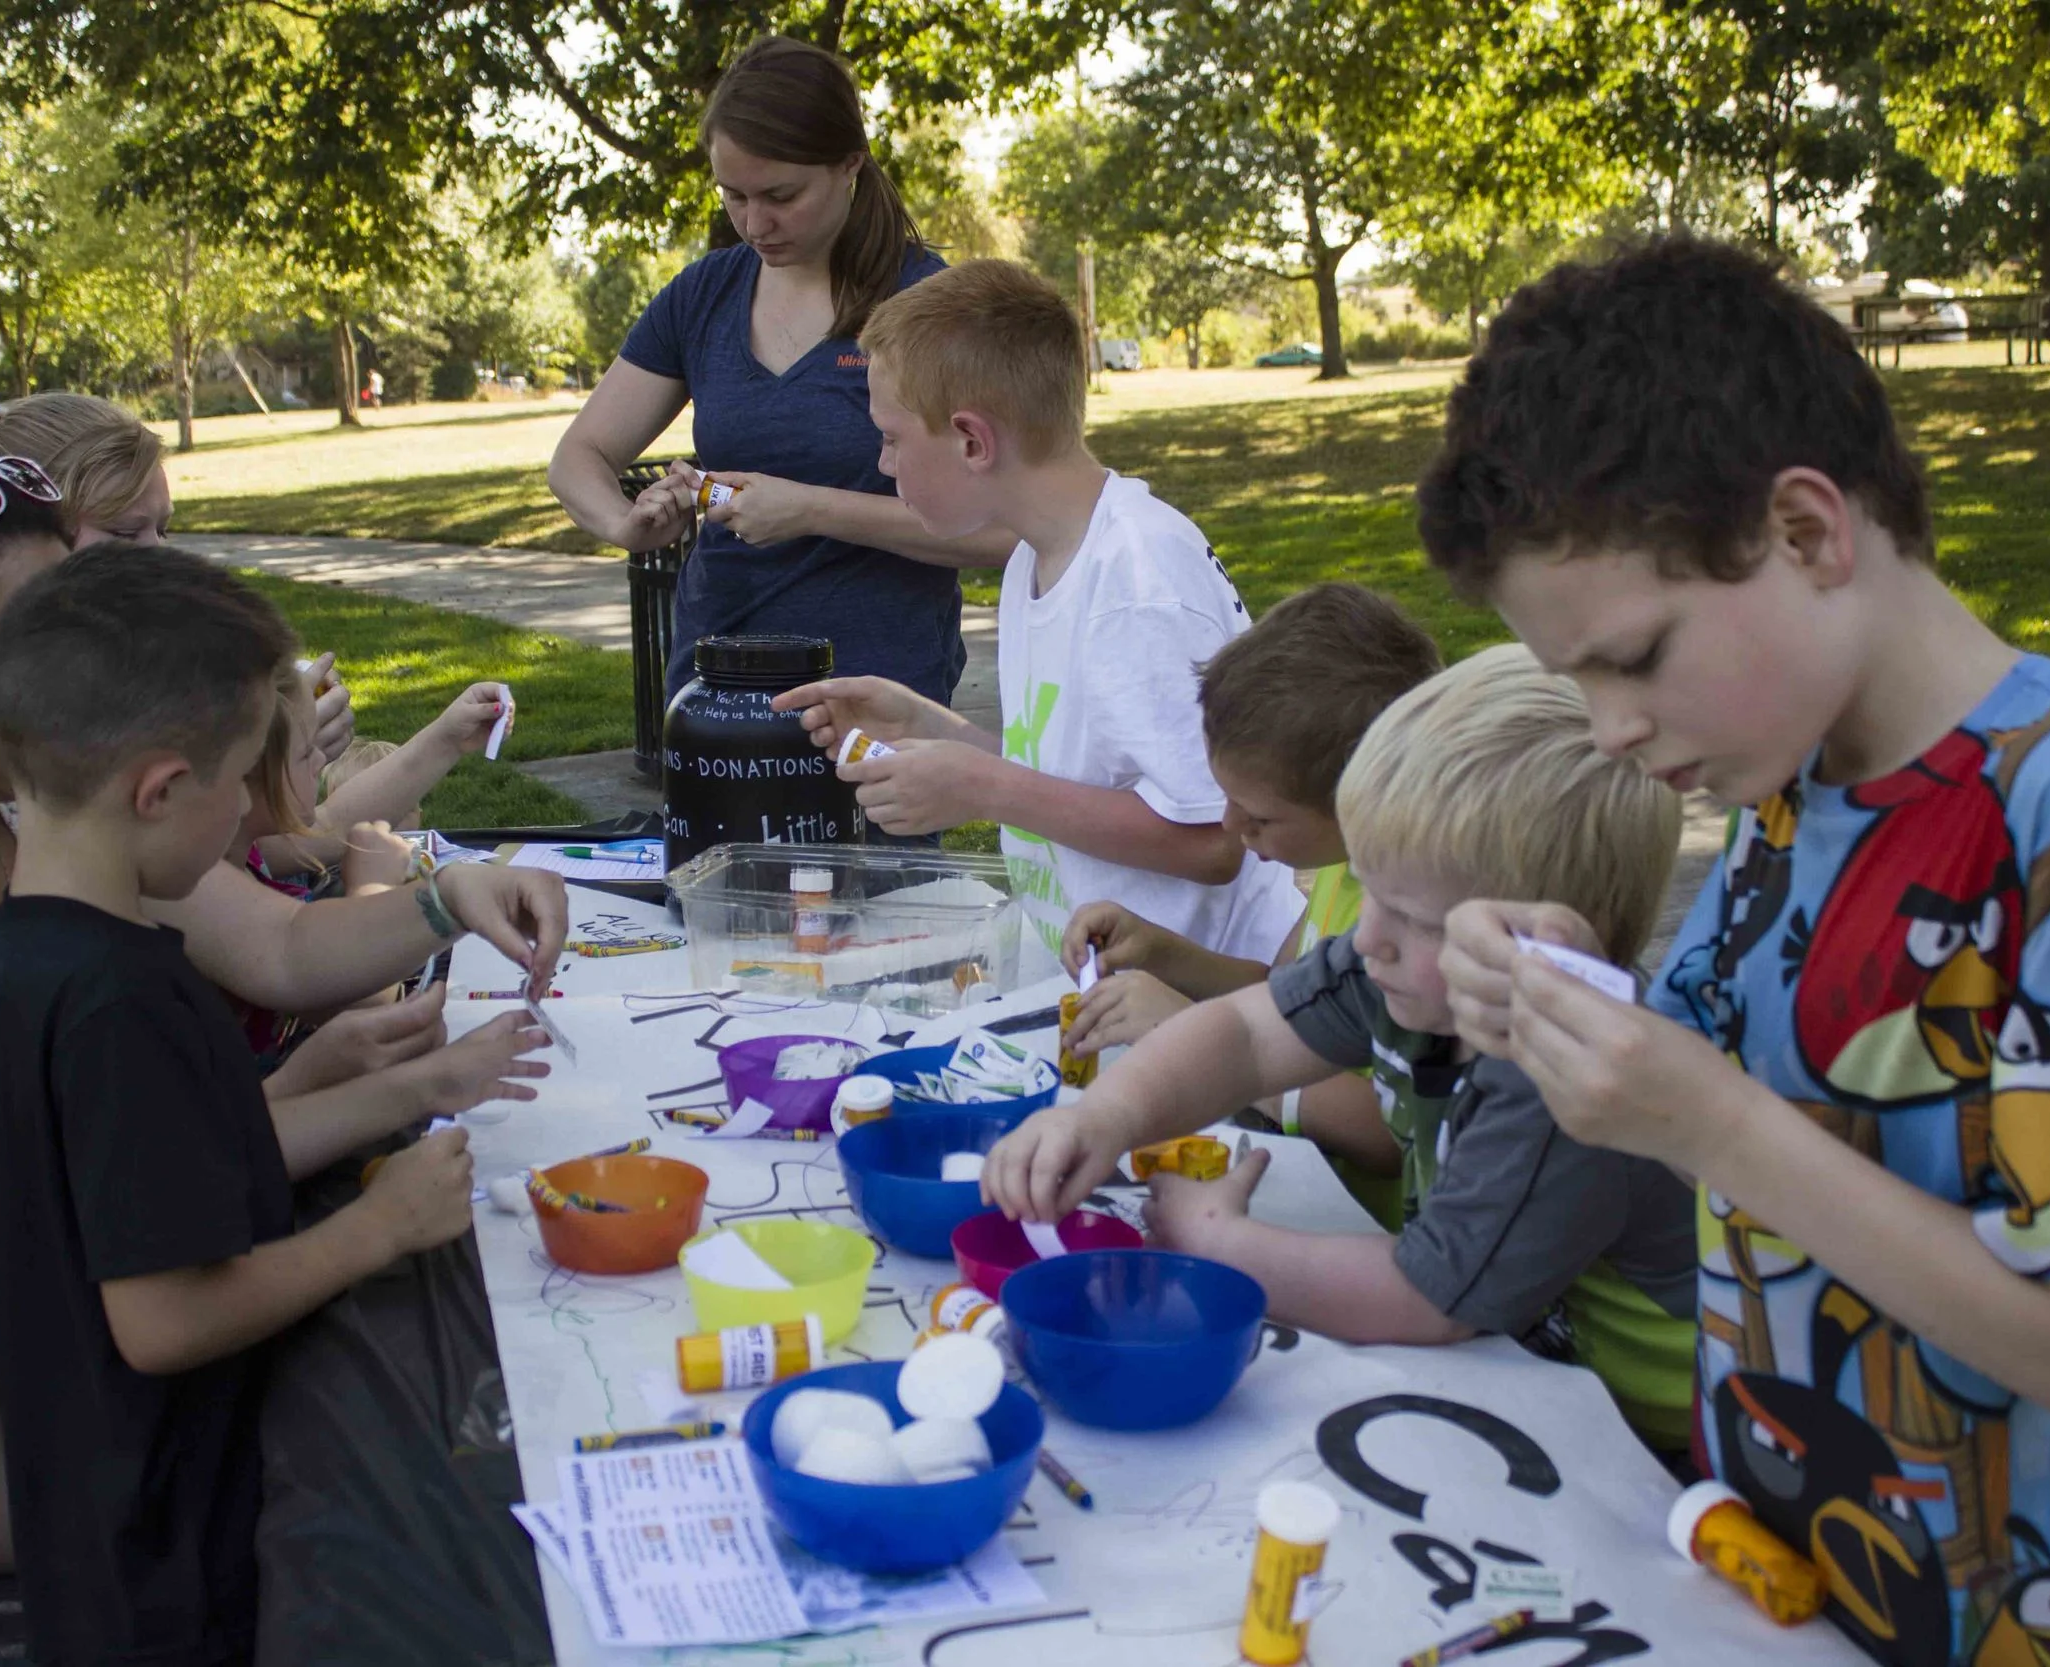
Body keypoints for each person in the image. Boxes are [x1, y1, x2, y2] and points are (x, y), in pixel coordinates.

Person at [1426, 239, 2050, 1666]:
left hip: (2022, 1617)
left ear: (1806, 532)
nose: (1608, 726)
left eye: (1634, 655)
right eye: (1575, 683)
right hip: (1789, 1574)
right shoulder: (1795, 778)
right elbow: (1724, 1086)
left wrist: (1715, 1123)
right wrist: (1551, 976)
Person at [0, 422, 566, 1577]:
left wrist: (448, 898)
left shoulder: (36, 797)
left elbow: (279, 951)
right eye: (31, 636)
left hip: (83, 1340)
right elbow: (48, 1232)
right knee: (397, 1443)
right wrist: (335, 1137)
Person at [0, 544, 498, 1662]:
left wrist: (383, 1079)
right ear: (160, 789)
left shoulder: (30, 946)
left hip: (101, 1516)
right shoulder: (120, 997)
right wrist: (380, 1224)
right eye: (243, 786)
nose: (254, 828)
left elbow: (151, 1176)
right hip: (167, 1554)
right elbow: (161, 1316)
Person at [981, 645, 1699, 1452]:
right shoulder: (1408, 966)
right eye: (1368, 884)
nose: (1367, 936)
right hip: (1544, 1378)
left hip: (1659, 1437)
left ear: (1548, 941)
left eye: (1411, 912)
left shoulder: (1556, 1066)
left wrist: (1222, 1243)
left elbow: (1429, 1300)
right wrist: (1107, 1116)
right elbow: (1248, 1033)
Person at [776, 259, 1304, 963]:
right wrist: (940, 731)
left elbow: (1214, 838)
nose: (883, 463)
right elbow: (1083, 784)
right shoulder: (1039, 554)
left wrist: (984, 789)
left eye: (893, 437)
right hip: (1105, 990)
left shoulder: (1136, 581)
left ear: (972, 441)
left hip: (1204, 1013)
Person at [547, 35, 1015, 711]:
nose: (753, 223)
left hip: (877, 692)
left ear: (850, 161)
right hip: (716, 684)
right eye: (732, 195)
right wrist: (629, 523)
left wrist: (811, 510)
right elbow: (577, 458)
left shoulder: (926, 304)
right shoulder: (703, 294)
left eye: (780, 194)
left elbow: (1001, 530)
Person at [1057, 582, 1443, 1226]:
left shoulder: (1421, 908)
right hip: (1315, 1199)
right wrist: (1166, 955)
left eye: (1260, 815)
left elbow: (1385, 1130)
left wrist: (1193, 1039)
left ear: (1362, 797)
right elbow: (1286, 994)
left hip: (1376, 1232)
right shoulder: (1342, 858)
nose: (1232, 826)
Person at [0, 392, 357, 764]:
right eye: (125, 533)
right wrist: (269, 761)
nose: (158, 553)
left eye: (162, 530)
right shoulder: (6, 717)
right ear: (23, 540)